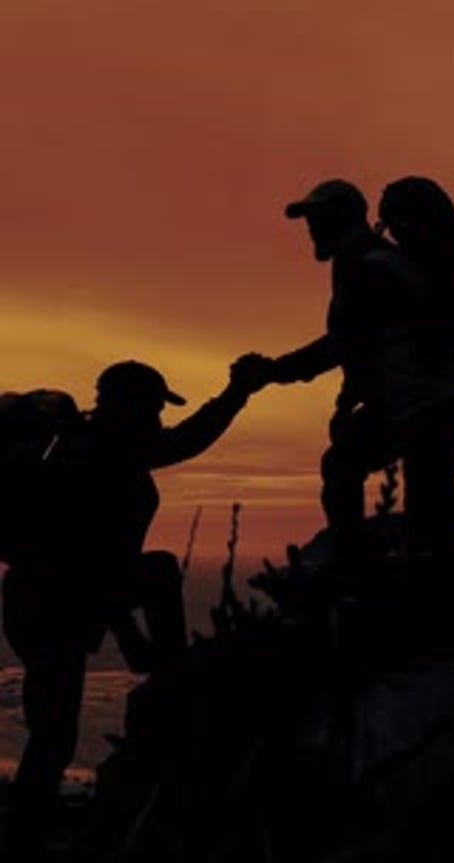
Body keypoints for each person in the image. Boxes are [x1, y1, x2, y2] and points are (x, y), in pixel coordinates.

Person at [1, 356, 264, 859]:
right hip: (53, 601)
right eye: (153, 408)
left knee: (51, 732)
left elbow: (99, 562)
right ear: (132, 405)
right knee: (54, 732)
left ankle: (25, 831)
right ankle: (22, 840)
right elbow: (185, 441)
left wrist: (127, 635)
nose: (159, 419)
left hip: (44, 600)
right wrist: (238, 392)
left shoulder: (84, 444)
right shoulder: (107, 446)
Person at [241, 178, 454, 567]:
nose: (310, 228)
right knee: (369, 474)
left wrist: (273, 371)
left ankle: (354, 567)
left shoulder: (371, 268)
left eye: (316, 218)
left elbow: (342, 346)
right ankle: (374, 565)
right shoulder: (368, 260)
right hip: (440, 402)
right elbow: (365, 351)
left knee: (359, 473)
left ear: (340, 218)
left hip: (435, 406)